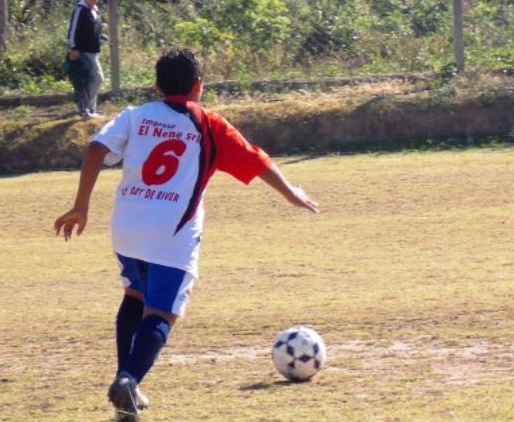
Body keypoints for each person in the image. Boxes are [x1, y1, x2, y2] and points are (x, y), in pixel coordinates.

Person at [53, 48, 319, 421]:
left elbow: (96, 149)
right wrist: (292, 193)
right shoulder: (209, 124)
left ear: (158, 86)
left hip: (127, 227)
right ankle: (128, 380)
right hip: (172, 232)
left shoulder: (135, 116)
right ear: (199, 86)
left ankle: (127, 384)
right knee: (162, 311)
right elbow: (257, 159)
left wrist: (81, 205)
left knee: (134, 295)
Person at [67, 0, 104, 119]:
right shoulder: (80, 11)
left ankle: (89, 110)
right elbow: (73, 31)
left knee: (91, 80)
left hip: (93, 52)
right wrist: (73, 48)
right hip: (83, 52)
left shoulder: (94, 11)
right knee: (97, 78)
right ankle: (85, 109)